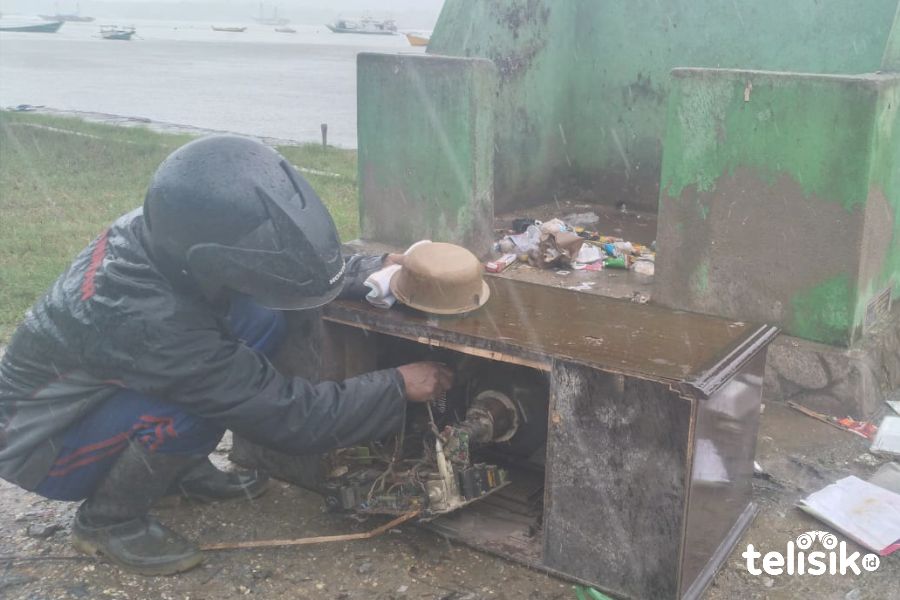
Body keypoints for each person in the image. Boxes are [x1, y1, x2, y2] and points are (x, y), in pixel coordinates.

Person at [0, 135, 453, 576]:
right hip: (41, 445)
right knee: (196, 403)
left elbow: (270, 268)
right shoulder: (150, 319)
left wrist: (378, 268)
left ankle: (176, 471)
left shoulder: (173, 227)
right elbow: (286, 416)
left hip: (101, 391)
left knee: (260, 318)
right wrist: (396, 386)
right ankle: (108, 520)